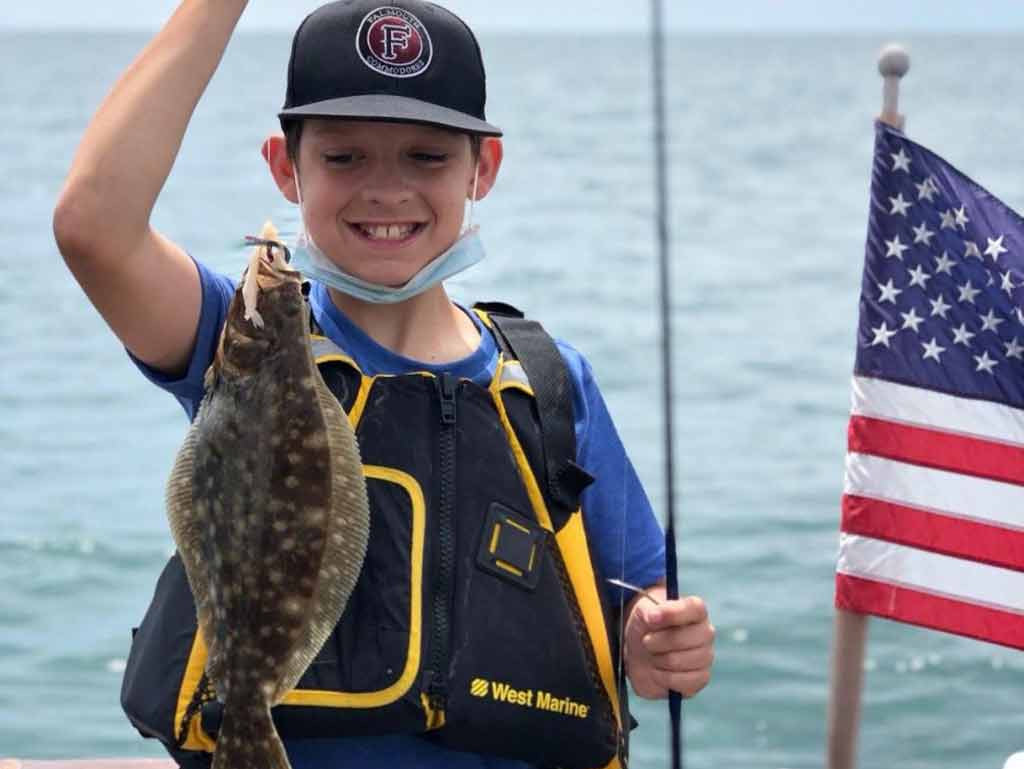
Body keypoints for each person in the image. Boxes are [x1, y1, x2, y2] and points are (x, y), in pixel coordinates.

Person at [53, 1, 715, 768]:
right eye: (343, 157)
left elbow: (639, 597)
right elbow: (92, 227)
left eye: (426, 157)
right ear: (284, 166)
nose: (386, 190)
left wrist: (658, 639)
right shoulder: (240, 340)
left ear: (484, 169)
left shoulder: (549, 381)